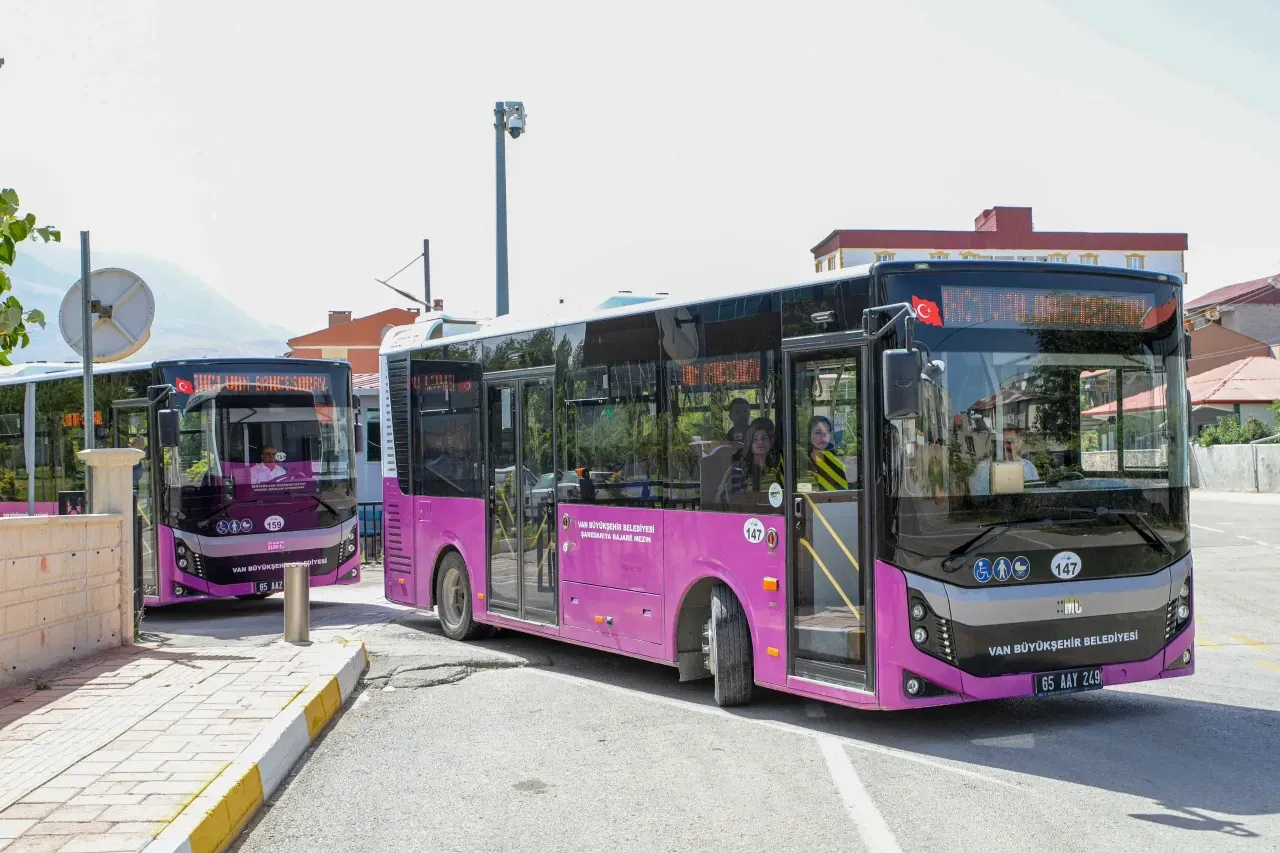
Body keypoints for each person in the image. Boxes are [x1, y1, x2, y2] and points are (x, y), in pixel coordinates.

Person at [968, 427, 1041, 495]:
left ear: (1020, 443)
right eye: (1003, 442)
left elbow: (1035, 495)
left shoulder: (1029, 466)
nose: (1007, 446)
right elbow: (979, 502)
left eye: (1012, 441)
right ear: (996, 443)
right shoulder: (983, 468)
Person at [732, 417, 782, 494]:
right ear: (750, 442)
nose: (760, 442)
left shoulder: (777, 470)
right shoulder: (738, 472)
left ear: (771, 441)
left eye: (764, 438)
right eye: (755, 439)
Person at [807, 416, 848, 491]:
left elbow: (844, 490)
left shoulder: (836, 461)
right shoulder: (802, 462)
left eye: (827, 432)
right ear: (809, 435)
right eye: (818, 432)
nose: (823, 436)